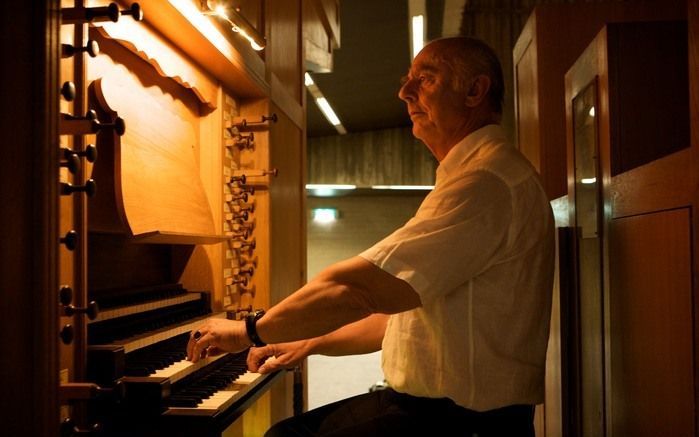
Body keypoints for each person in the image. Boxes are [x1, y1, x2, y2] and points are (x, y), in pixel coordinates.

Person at [187, 35, 555, 437]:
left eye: (425, 79)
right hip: (439, 411)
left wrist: (247, 331)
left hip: (464, 423)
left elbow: (357, 290)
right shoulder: (478, 175)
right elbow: (395, 318)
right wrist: (308, 341)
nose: (403, 92)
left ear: (474, 91)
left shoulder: (486, 182)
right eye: (406, 80)